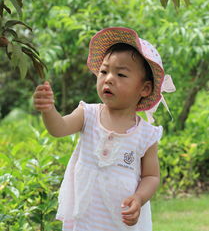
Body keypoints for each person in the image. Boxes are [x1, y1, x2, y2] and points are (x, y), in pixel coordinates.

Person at [33, 27, 175, 231]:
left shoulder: (146, 135)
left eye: (121, 74)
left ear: (144, 88)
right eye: (104, 71)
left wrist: (139, 197)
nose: (108, 78)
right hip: (86, 217)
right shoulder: (88, 114)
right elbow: (59, 128)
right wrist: (48, 110)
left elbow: (151, 176)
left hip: (121, 220)